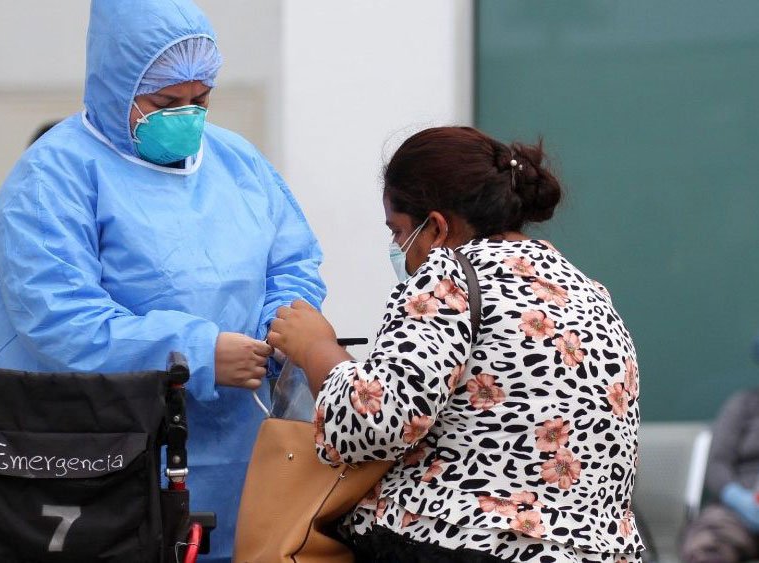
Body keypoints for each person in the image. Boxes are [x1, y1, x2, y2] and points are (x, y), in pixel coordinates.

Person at [0, 1, 325, 560]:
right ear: (114, 85)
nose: (185, 117)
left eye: (199, 101)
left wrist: (277, 330)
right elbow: (63, 321)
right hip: (98, 466)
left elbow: (293, 263)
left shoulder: (237, 163)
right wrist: (198, 354)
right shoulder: (52, 177)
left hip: (242, 460)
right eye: (164, 103)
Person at [269, 126, 643, 562]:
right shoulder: (587, 291)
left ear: (437, 227)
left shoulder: (451, 278)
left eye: (398, 231)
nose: (397, 247)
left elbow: (375, 424)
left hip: (467, 543)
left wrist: (317, 347)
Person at [681, 388, 759, 563]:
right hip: (738, 513)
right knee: (704, 543)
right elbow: (717, 465)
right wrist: (737, 498)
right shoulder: (744, 405)